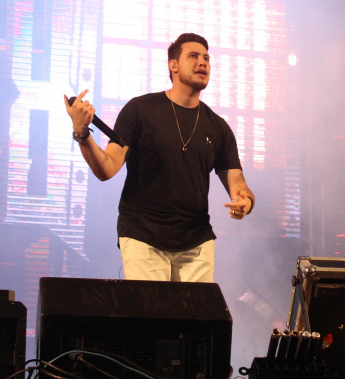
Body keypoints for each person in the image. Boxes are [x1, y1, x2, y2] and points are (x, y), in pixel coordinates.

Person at [64, 32, 255, 282]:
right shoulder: (140, 110)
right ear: (173, 65)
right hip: (143, 236)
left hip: (197, 241)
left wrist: (245, 202)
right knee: (151, 308)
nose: (203, 62)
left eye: (207, 58)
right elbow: (107, 168)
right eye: (194, 56)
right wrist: (82, 133)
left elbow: (238, 185)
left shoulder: (218, 127)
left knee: (197, 310)